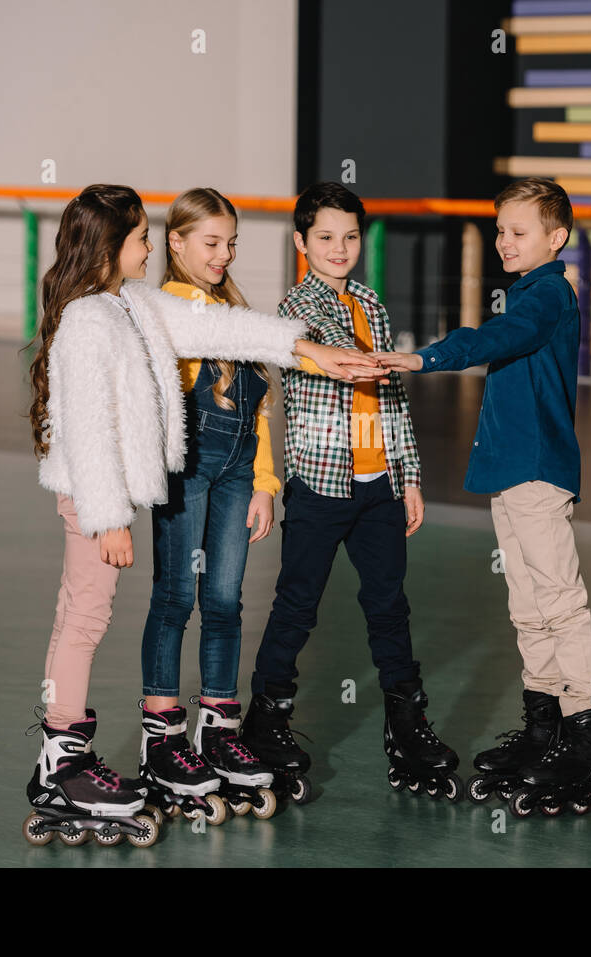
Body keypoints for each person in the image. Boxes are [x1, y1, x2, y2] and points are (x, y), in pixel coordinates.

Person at [23, 184, 381, 839]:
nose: (149, 247)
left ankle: (60, 756)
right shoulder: (87, 320)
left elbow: (221, 325)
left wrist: (309, 350)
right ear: (110, 248)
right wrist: (108, 517)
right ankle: (61, 765)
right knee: (85, 618)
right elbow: (85, 427)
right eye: (139, 239)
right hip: (89, 494)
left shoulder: (131, 302)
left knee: (79, 613)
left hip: (102, 495)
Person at [372, 176, 591, 817]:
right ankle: (544, 728)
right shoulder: (527, 291)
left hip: (538, 471)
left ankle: (589, 737)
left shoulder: (548, 297)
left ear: (555, 238)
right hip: (511, 471)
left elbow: (495, 340)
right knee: (528, 606)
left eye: (518, 232)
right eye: (500, 229)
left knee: (561, 603)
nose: (503, 241)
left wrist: (426, 358)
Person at [239, 182, 463, 804]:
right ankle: (268, 717)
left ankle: (407, 722)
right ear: (302, 244)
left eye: (350, 236)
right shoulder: (297, 308)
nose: (341, 249)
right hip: (322, 486)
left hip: (379, 488)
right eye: (326, 238)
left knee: (389, 606)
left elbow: (391, 395)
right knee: (296, 605)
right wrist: (377, 359)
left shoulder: (371, 302)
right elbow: (344, 360)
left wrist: (408, 474)